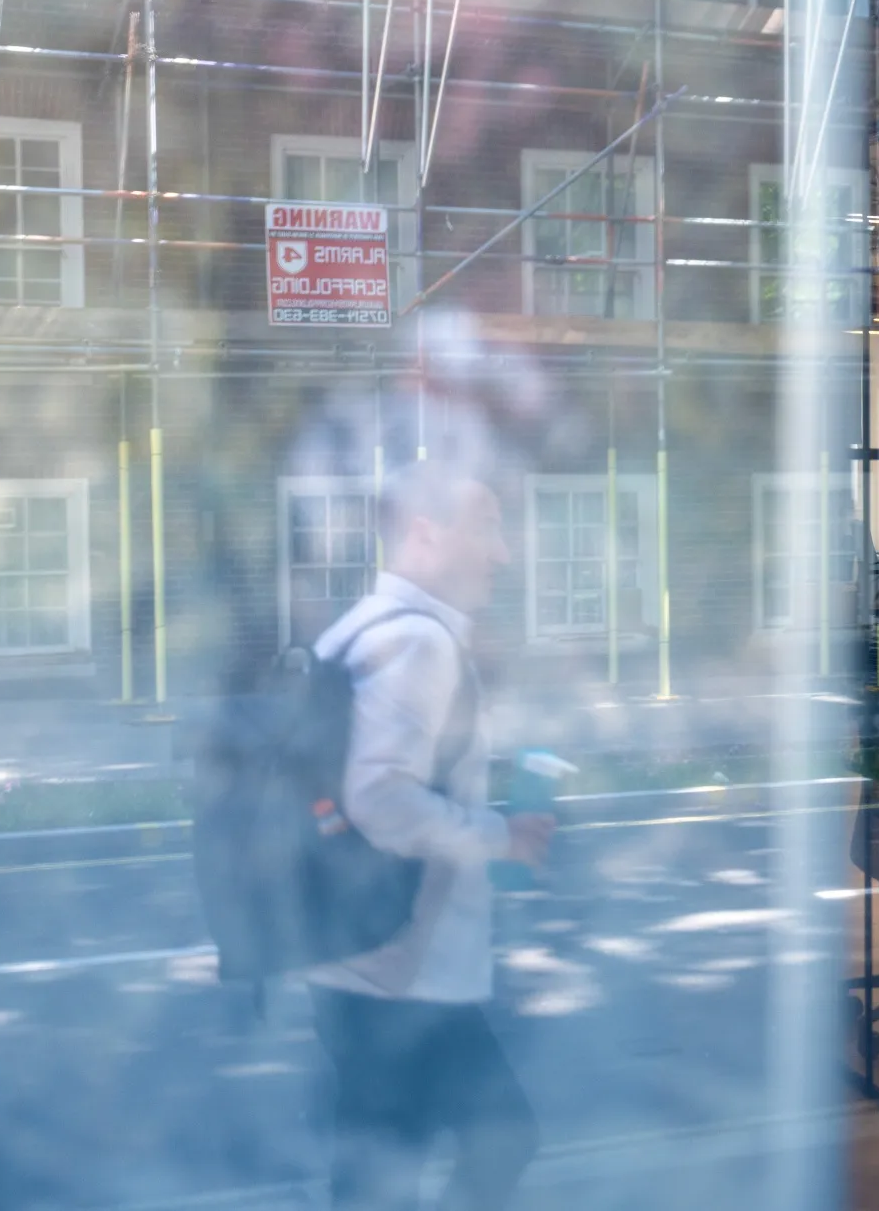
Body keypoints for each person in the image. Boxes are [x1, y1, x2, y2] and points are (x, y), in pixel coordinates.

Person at [305, 461, 554, 1211]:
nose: (502, 552)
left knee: (378, 1171)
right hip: (404, 971)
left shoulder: (358, 626)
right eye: (486, 526)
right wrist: (498, 835)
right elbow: (380, 798)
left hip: (360, 955)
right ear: (426, 533)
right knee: (497, 1138)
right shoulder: (419, 641)